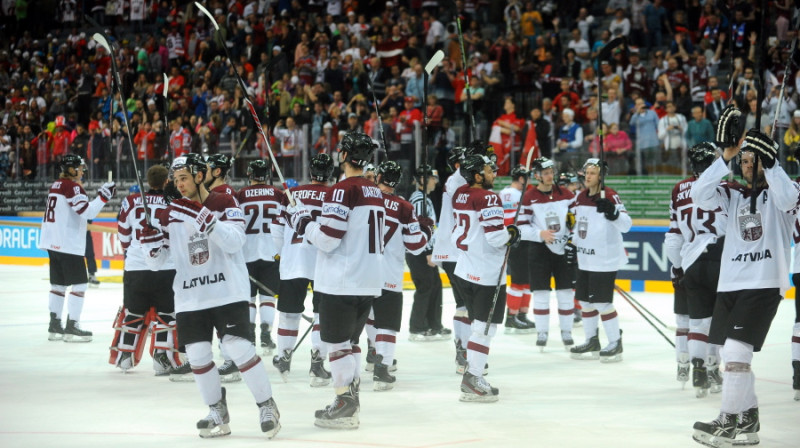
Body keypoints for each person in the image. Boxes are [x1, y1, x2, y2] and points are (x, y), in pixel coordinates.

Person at [139, 153, 281, 439]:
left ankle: (267, 406)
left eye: (184, 178)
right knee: (198, 355)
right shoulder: (170, 213)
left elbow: (235, 242)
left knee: (239, 348)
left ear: (200, 176)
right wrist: (151, 247)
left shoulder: (225, 202)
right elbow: (158, 261)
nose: (179, 185)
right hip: (191, 297)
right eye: (175, 179)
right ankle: (217, 410)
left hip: (227, 292)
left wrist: (199, 215)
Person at [690, 112, 798, 446]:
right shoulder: (731, 195)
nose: (749, 164)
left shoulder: (780, 194)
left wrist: (774, 164)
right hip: (730, 284)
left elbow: (789, 199)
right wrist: (726, 156)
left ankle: (727, 422)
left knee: (736, 353)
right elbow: (699, 195)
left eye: (755, 159)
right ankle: (748, 419)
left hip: (763, 284)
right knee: (728, 355)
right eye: (746, 159)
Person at [284, 132, 382, 429]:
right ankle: (351, 396)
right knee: (350, 344)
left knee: (337, 344)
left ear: (343, 156)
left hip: (342, 280)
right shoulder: (375, 191)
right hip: (367, 280)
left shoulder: (341, 190)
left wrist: (302, 221)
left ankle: (344, 403)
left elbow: (327, 240)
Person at [450, 153, 520, 402]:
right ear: (478, 175)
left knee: (476, 324)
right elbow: (494, 237)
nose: (494, 173)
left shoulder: (460, 193)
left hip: (464, 269)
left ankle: (472, 372)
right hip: (486, 274)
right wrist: (511, 234)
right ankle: (473, 378)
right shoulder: (489, 196)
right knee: (483, 328)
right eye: (490, 170)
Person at [664, 143, 726, 398]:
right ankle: (713, 367)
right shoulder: (723, 186)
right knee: (717, 322)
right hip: (720, 258)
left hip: (690, 261)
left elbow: (673, 235)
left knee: (697, 322)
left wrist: (677, 267)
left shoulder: (679, 189)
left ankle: (696, 366)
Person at [113, 165, 183, 376]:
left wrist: (132, 252)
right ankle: (161, 359)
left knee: (133, 311)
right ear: (166, 182)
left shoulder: (131, 200)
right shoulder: (173, 201)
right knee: (166, 314)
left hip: (135, 266)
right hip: (166, 266)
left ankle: (125, 355)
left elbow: (123, 232)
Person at [39, 154, 116, 342]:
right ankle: (72, 325)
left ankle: (55, 324)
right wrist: (104, 196)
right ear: (71, 169)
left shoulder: (56, 185)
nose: (82, 171)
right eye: (80, 168)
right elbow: (87, 212)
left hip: (53, 242)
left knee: (58, 285)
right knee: (80, 284)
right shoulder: (72, 187)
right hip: (68, 244)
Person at [273, 154, 334, 387]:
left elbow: (276, 229)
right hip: (323, 261)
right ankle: (317, 364)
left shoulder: (292, 194)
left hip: (294, 261)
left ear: (310, 171)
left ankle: (284, 357)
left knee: (289, 312)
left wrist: (285, 253)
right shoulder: (333, 194)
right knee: (322, 313)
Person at [370, 160, 430, 390]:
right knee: (387, 323)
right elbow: (415, 246)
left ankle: (350, 370)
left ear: (378, 177)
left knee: (362, 318)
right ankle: (381, 368)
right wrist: (424, 228)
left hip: (362, 271)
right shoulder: (404, 206)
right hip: (389, 274)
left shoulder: (364, 199)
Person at [569, 158, 632, 362]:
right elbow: (579, 226)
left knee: (602, 303)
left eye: (593, 173)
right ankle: (591, 340)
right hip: (585, 258)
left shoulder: (611, 195)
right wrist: (572, 244)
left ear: (602, 176)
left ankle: (615, 343)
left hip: (604, 260)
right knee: (585, 302)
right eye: (586, 172)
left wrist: (613, 213)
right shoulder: (580, 197)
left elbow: (626, 225)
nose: (588, 176)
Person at [517, 157, 577, 350]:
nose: (550, 176)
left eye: (551, 172)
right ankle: (542, 332)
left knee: (566, 293)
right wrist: (539, 234)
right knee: (541, 292)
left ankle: (566, 332)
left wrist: (572, 240)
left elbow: (577, 220)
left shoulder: (567, 194)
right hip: (539, 250)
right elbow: (521, 227)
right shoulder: (528, 196)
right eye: (545, 173)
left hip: (564, 249)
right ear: (537, 176)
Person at [236, 159, 285, 367]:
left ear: (249, 174)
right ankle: (266, 334)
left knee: (247, 298)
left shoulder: (240, 195)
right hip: (272, 253)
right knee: (267, 298)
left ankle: (249, 336)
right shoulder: (278, 194)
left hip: (246, 254)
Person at [204, 153, 247, 382]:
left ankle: (231, 361)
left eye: (207, 168)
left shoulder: (220, 195)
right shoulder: (228, 192)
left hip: (223, 264)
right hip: (222, 263)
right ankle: (230, 359)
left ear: (217, 171)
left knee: (223, 314)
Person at [431, 146, 470, 374]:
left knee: (464, 303)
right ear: (458, 164)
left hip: (454, 252)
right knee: (467, 304)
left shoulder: (455, 181)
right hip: (455, 253)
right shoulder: (457, 182)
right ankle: (463, 351)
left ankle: (463, 349)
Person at [406, 165, 447, 340]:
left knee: (435, 285)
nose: (435, 181)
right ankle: (417, 327)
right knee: (426, 287)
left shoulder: (425, 199)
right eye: (432, 178)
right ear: (422, 179)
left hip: (425, 251)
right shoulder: (419, 200)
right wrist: (428, 251)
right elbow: (419, 228)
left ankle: (434, 325)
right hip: (420, 252)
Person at [499, 164, 535, 333]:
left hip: (510, 240)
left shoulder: (502, 194)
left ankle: (520, 315)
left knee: (525, 280)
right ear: (521, 178)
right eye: (527, 178)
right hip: (520, 240)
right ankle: (512, 317)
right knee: (520, 281)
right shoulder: (521, 196)